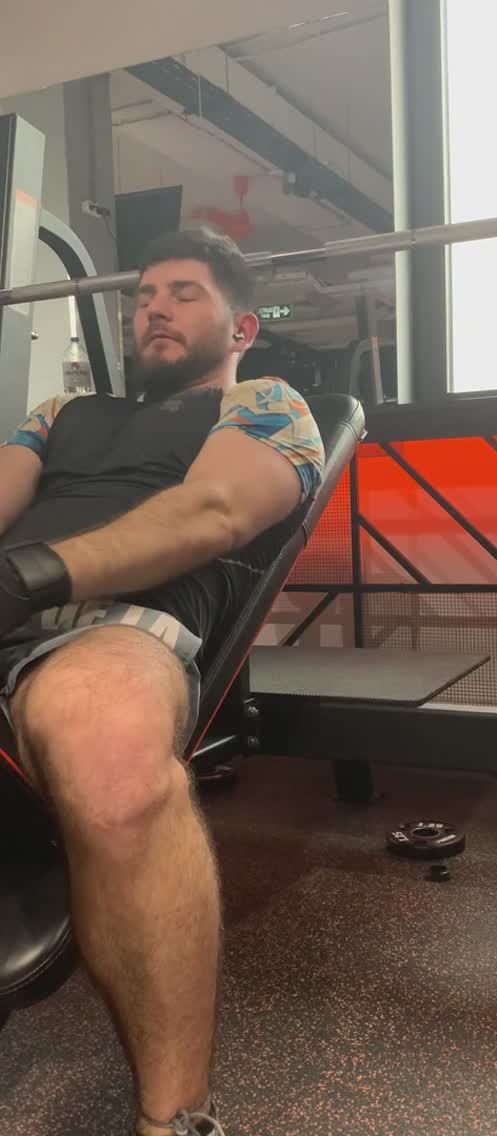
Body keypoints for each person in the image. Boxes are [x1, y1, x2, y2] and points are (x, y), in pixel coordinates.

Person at [0, 228, 325, 1136]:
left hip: (111, 627)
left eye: (185, 293)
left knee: (109, 753)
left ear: (242, 326)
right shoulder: (62, 414)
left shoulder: (265, 404)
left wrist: (29, 577)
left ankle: (174, 1119)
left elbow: (214, 512)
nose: (154, 308)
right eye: (144, 295)